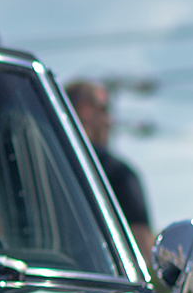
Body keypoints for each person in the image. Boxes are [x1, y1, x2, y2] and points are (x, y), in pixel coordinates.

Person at [64, 79, 154, 262]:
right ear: (85, 110)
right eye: (104, 109)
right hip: (99, 284)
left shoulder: (30, 166)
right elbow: (143, 250)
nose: (110, 121)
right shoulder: (118, 174)